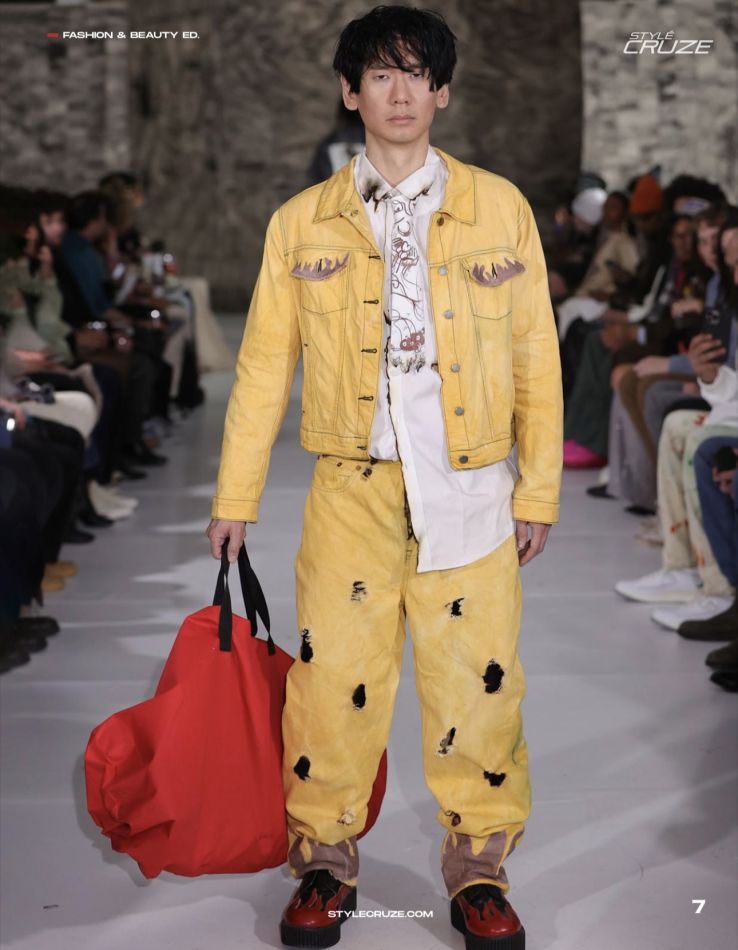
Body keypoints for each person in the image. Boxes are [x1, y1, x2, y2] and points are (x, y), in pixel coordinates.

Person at [207, 6, 563, 949]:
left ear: (442, 91)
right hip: (351, 488)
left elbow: (536, 353)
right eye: (380, 74)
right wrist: (236, 498)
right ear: (349, 90)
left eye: (417, 74)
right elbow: (263, 365)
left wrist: (537, 489)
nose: (400, 92)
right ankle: (323, 861)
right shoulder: (302, 223)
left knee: (478, 685)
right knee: (331, 680)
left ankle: (479, 870)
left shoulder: (499, 209)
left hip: (471, 485)